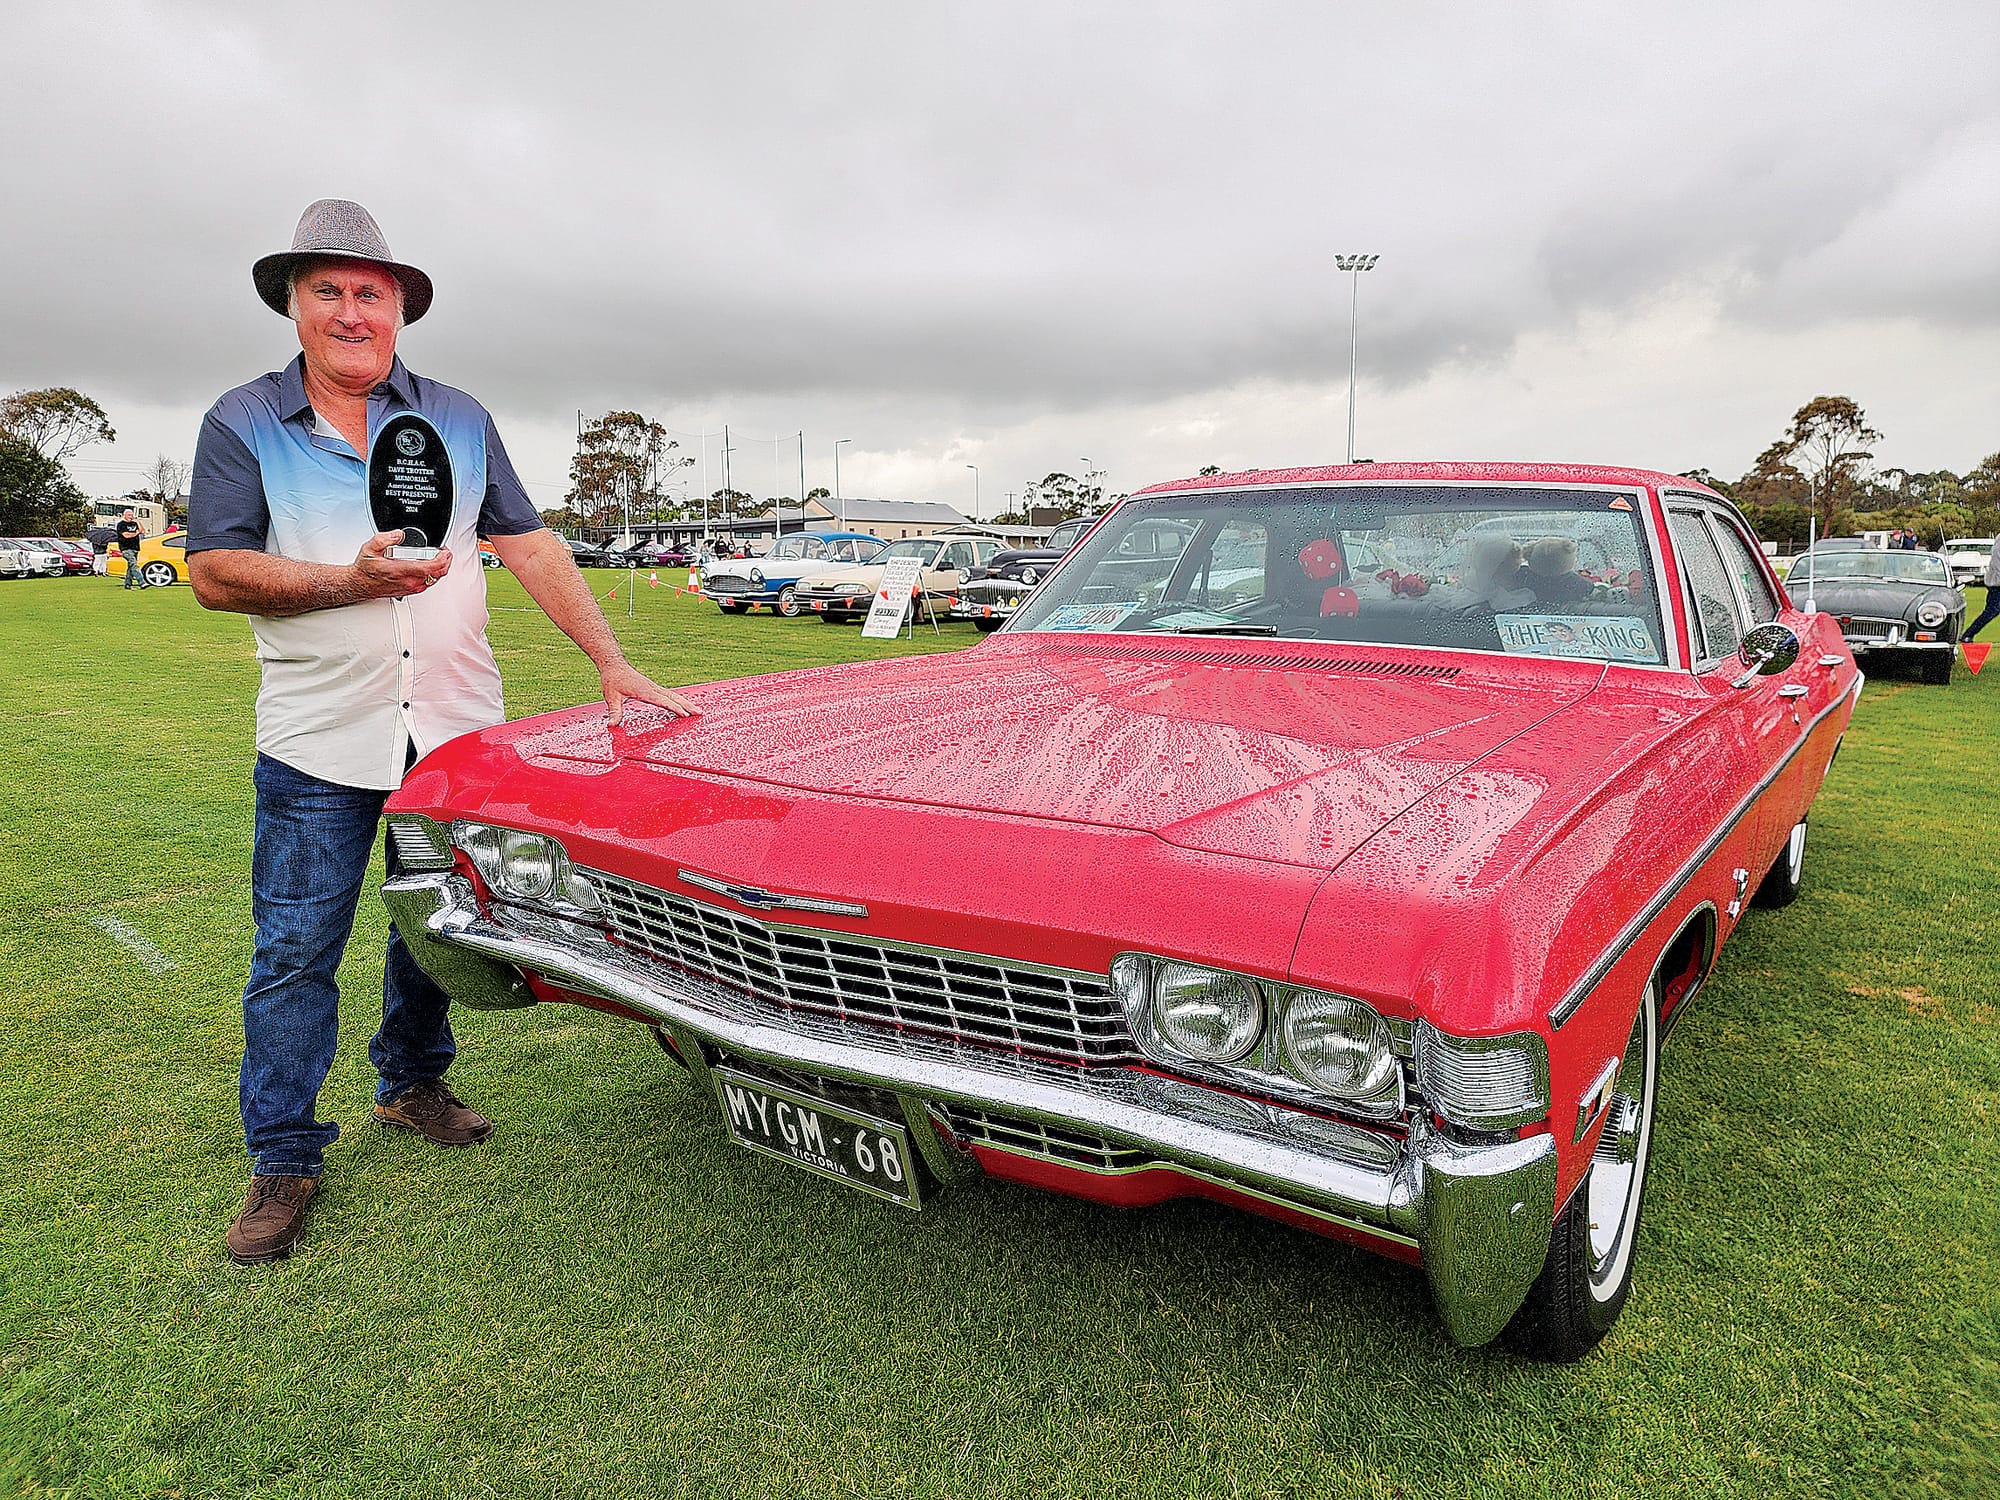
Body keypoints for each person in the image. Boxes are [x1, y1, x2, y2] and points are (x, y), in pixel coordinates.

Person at [188, 199, 700, 1266]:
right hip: (317, 741)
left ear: (399, 309)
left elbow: (529, 541)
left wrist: (607, 660)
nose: (348, 309)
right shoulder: (241, 420)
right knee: (293, 955)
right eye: (325, 289)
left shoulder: (457, 417)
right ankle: (282, 1156)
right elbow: (214, 571)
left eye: (369, 292)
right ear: (293, 305)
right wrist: (347, 580)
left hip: (455, 730)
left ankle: (410, 1082)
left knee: (434, 923)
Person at [1964, 538, 2000, 642]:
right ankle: (1968, 634)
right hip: (1996, 584)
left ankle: (1968, 634)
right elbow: (1997, 563)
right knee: (1992, 611)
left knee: (1992, 610)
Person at [115, 509, 145, 588]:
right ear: (124, 515)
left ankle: (128, 584)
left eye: (131, 515)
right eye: (129, 515)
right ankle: (141, 582)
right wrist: (136, 533)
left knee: (130, 567)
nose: (130, 517)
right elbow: (126, 535)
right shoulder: (121, 525)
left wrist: (137, 521)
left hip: (135, 548)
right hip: (126, 548)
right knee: (134, 565)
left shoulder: (134, 523)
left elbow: (142, 531)